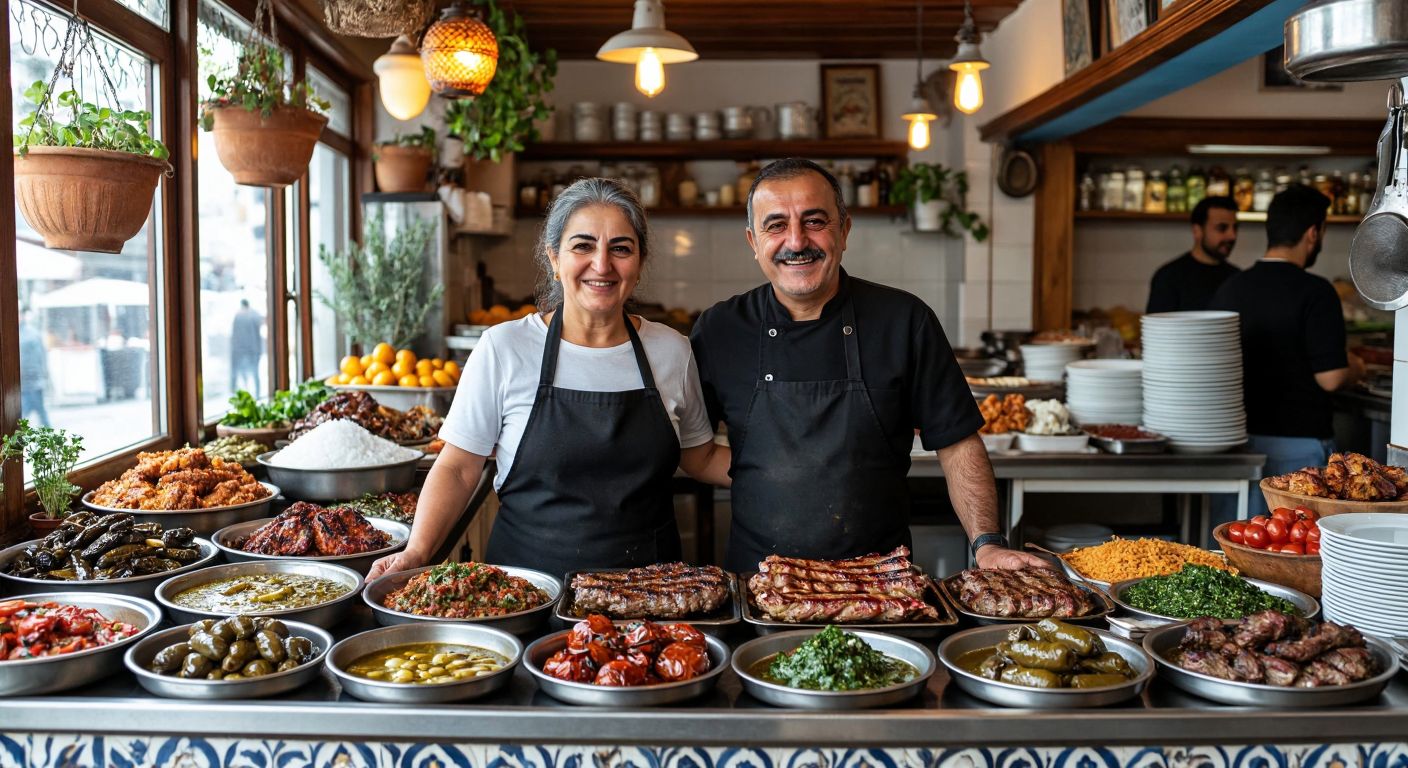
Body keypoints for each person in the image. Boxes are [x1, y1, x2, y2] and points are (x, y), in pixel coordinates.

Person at [689, 158, 1047, 574]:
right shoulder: (720, 328)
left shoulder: (904, 321)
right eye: (776, 226)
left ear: (844, 230)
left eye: (815, 221)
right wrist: (779, 478)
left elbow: (958, 443)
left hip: (882, 587)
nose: (796, 241)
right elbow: (694, 453)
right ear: (753, 241)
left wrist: (986, 543)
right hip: (761, 582)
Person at [369, 178, 731, 578]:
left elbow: (701, 456)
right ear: (554, 259)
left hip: (647, 595)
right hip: (527, 591)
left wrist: (793, 471)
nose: (602, 264)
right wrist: (416, 552)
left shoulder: (671, 351)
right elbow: (457, 468)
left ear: (639, 263)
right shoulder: (503, 348)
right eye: (583, 246)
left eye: (621, 248)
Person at [1210, 185, 1363, 516]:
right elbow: (1332, 378)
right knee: (1291, 555)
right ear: (1313, 232)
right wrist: (1357, 367)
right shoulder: (1316, 292)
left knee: (1232, 551)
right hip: (1299, 450)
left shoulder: (1230, 290)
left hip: (1236, 445)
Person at [1146, 196, 1240, 313]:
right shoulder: (1169, 277)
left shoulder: (1237, 278)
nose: (1232, 236)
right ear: (1197, 231)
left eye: (1235, 228)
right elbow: (1157, 328)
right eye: (1222, 228)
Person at [18, 311, 50, 427]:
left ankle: (48, 436)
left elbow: (41, 356)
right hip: (22, 383)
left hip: (33, 381)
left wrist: (43, 375)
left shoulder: (31, 334)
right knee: (24, 413)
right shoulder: (15, 334)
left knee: (39, 412)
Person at [229, 299, 263, 394]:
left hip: (241, 350)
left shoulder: (238, 316)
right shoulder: (254, 315)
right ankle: (257, 394)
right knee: (254, 373)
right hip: (252, 349)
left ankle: (234, 393)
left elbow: (234, 336)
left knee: (238, 372)